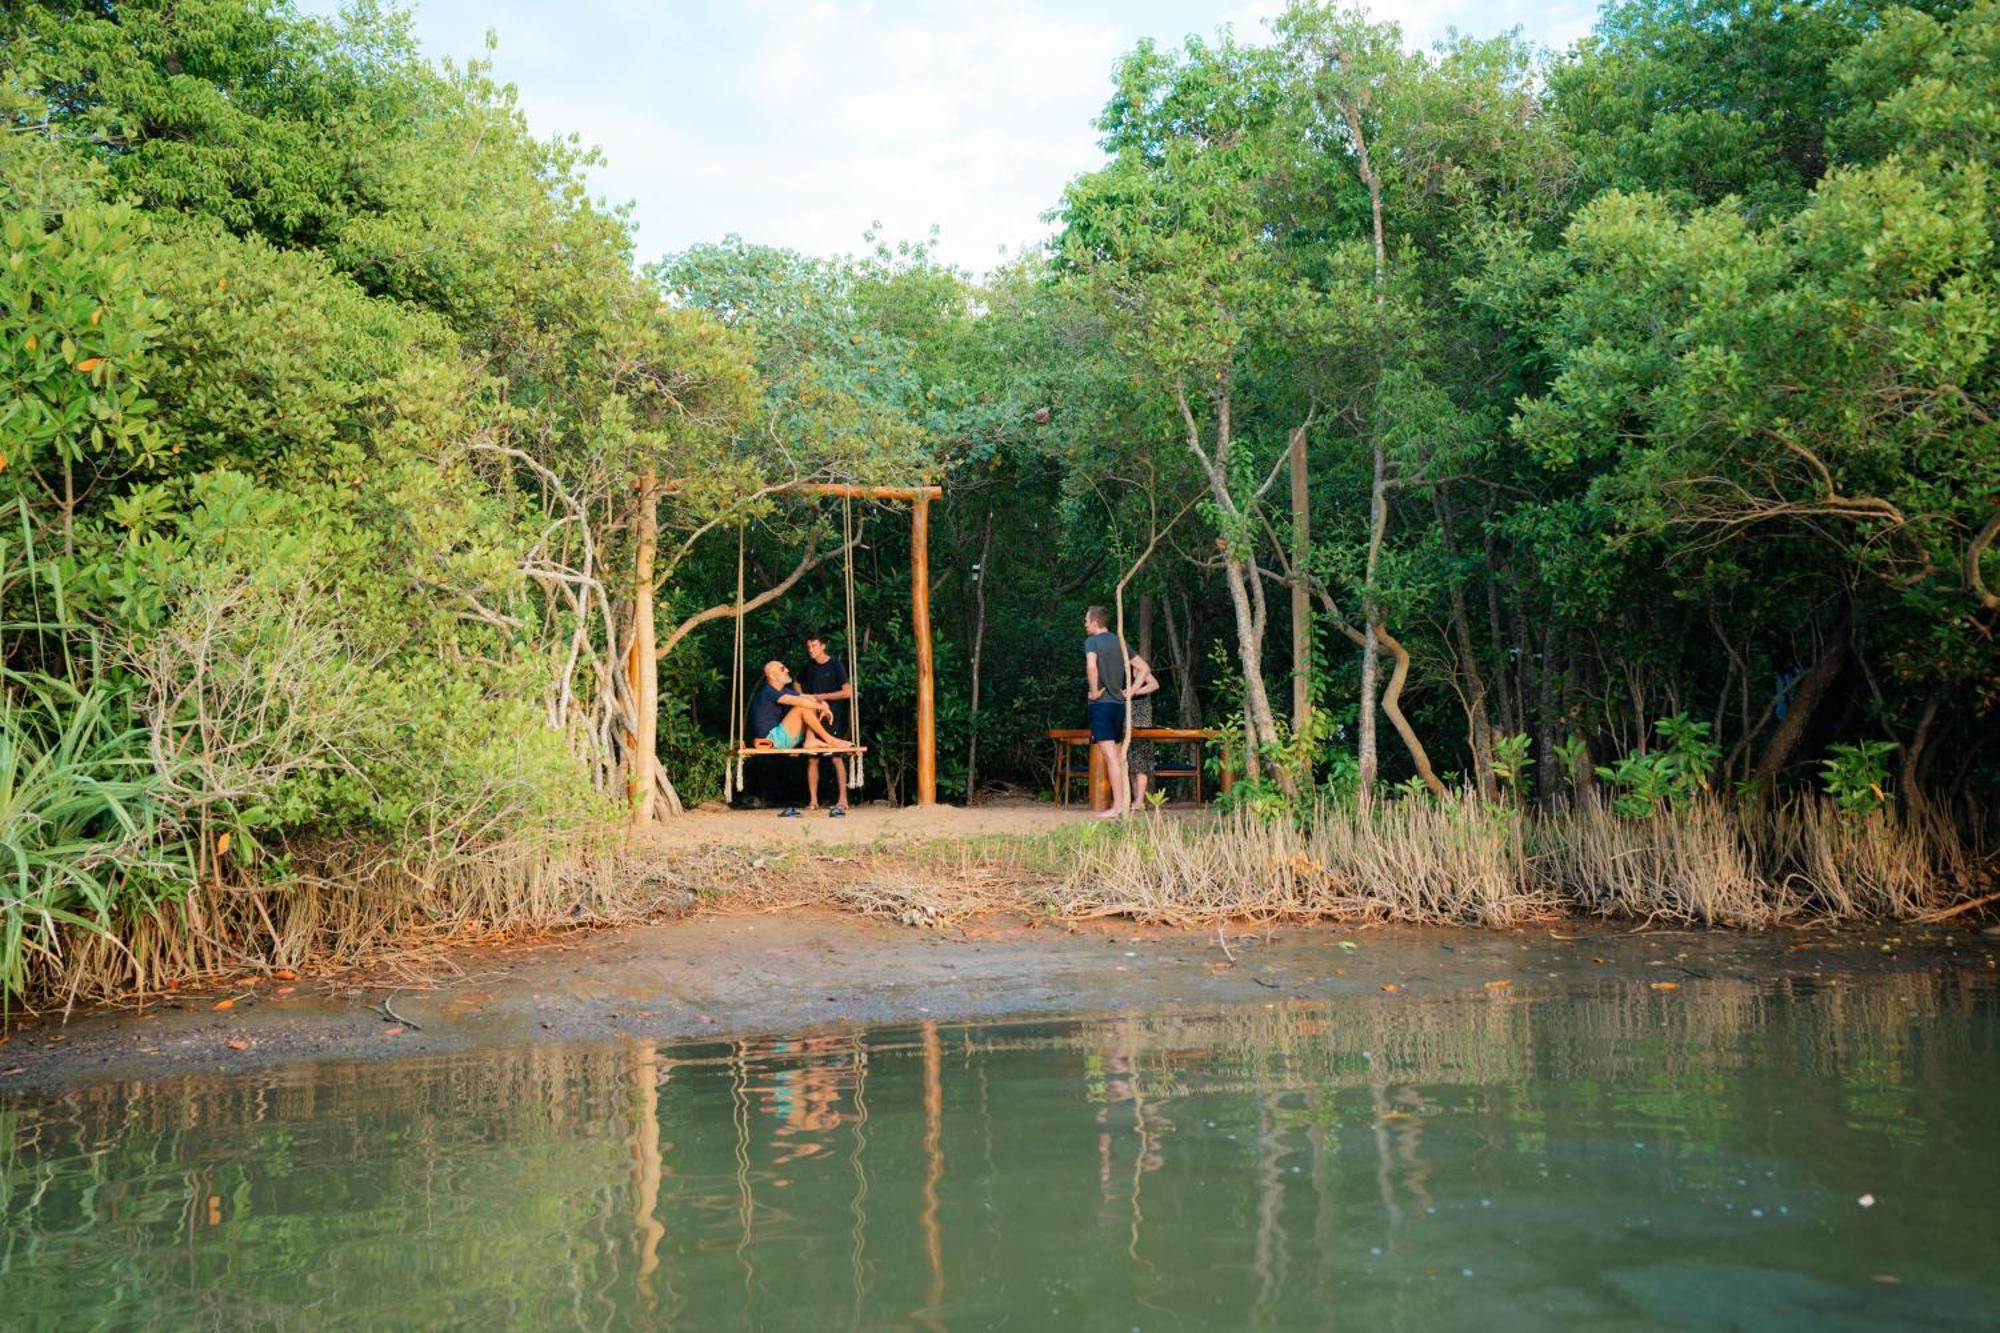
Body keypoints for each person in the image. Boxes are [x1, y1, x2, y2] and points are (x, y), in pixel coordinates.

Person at [1081, 605, 1132, 818]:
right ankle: (1123, 803)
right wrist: (1129, 692)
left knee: (1111, 758)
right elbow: (1144, 669)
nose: (1084, 624)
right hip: (1118, 706)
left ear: (1094, 621)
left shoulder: (1091, 642)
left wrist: (1094, 691)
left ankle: (1118, 806)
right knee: (1119, 758)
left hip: (1101, 705)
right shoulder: (1119, 642)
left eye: (1086, 620)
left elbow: (1091, 666)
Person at [799, 631, 854, 816]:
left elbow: (847, 692)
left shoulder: (836, 665)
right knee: (812, 758)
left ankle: (843, 800)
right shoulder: (809, 666)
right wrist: (802, 697)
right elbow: (797, 682)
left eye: (814, 645)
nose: (811, 650)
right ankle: (813, 801)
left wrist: (821, 697)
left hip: (832, 717)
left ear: (823, 646)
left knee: (836, 757)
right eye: (808, 646)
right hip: (813, 718)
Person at [747, 660, 853, 756]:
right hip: (770, 740)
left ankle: (810, 740)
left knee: (810, 702)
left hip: (783, 736)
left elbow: (807, 697)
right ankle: (830, 740)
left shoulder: (783, 690)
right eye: (782, 669)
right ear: (773, 676)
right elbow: (798, 701)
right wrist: (820, 706)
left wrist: (822, 703)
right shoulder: (767, 691)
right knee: (802, 707)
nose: (787, 670)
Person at [1125, 653, 1163, 807]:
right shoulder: (1116, 670)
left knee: (1140, 763)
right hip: (1125, 718)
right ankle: (1136, 800)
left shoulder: (1137, 668)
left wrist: (1133, 692)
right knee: (1129, 763)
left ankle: (1140, 800)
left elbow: (1155, 684)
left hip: (1141, 719)